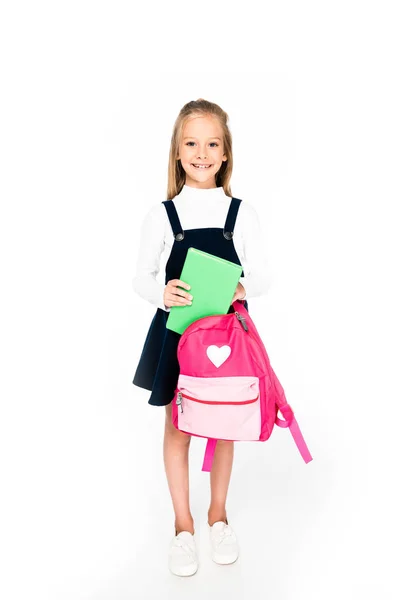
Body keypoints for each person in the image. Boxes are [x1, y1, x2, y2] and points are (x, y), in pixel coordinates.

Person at [131, 98, 271, 577]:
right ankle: (184, 526)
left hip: (228, 336)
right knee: (177, 427)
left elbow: (264, 275)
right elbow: (141, 277)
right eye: (191, 143)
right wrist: (162, 291)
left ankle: (218, 516)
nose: (202, 152)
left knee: (223, 422)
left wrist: (242, 286)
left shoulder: (241, 213)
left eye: (212, 143)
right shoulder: (163, 214)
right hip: (176, 335)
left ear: (226, 152)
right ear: (177, 151)